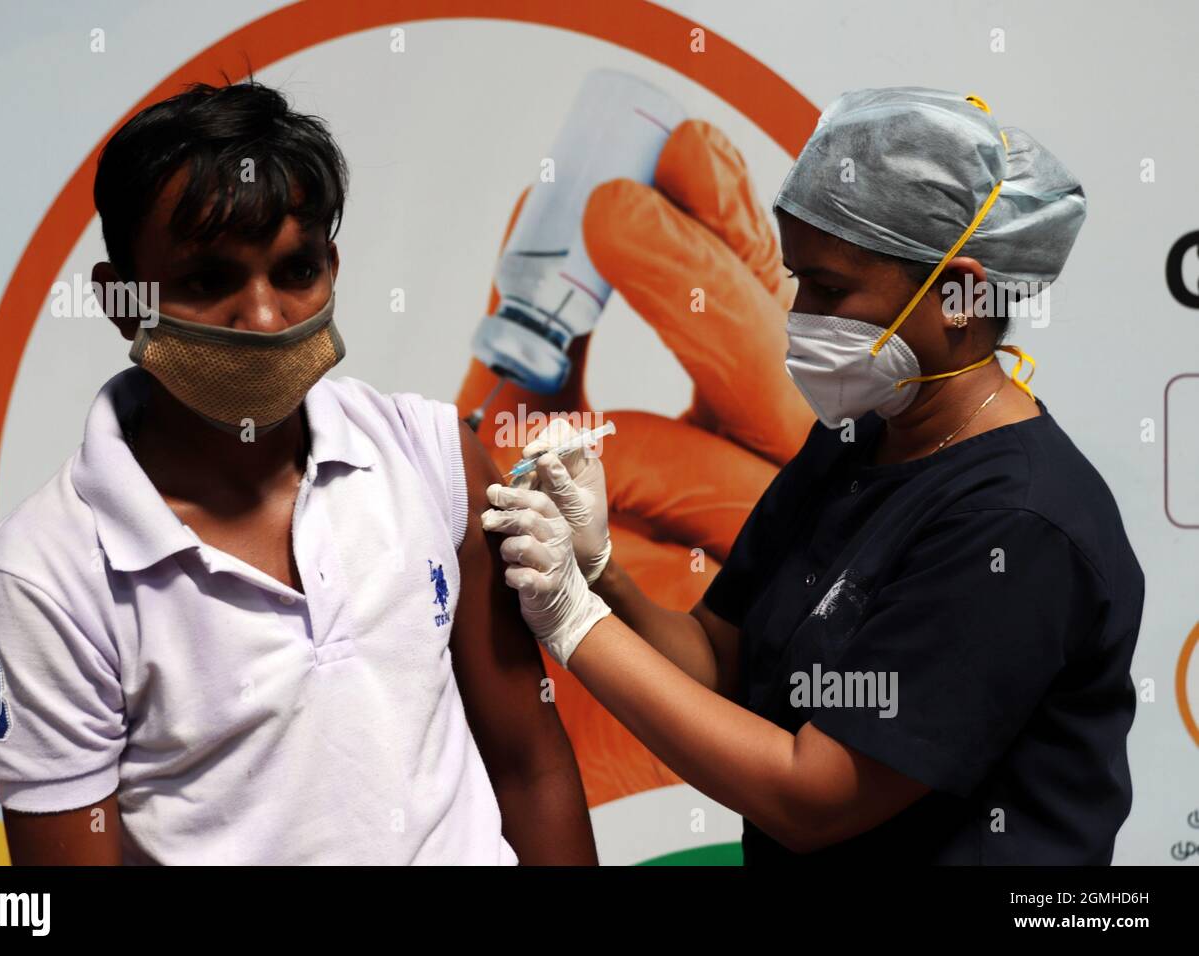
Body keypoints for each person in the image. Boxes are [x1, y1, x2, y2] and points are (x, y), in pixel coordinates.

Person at [481, 87, 1146, 864]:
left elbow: (813, 797)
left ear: (961, 294)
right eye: (798, 280)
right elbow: (716, 663)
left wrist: (571, 624)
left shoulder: (1018, 526)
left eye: (830, 290)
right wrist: (600, 573)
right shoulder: (853, 444)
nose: (800, 317)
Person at [0, 78, 596, 865]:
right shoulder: (44, 578)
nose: (263, 318)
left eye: (296, 271)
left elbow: (529, 768)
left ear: (333, 267)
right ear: (121, 300)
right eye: (206, 280)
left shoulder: (432, 456)